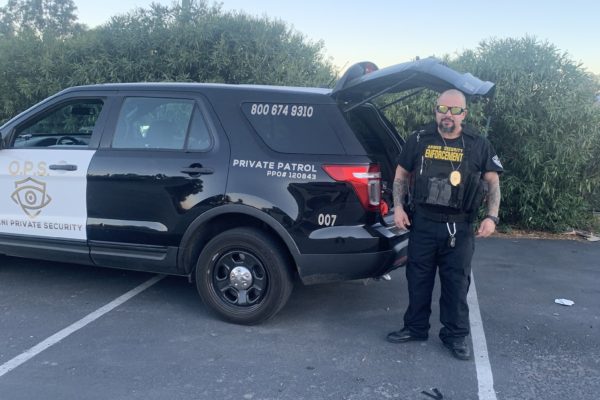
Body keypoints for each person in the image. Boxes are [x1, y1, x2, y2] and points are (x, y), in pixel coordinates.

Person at [386, 89, 502, 360]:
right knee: (418, 279)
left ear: (465, 114)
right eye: (443, 108)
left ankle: (455, 336)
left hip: (459, 229)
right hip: (423, 223)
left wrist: (491, 216)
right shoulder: (418, 139)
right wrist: (399, 207)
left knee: (456, 285)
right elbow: (401, 174)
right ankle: (415, 328)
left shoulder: (479, 144)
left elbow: (493, 182)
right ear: (435, 110)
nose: (448, 115)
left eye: (455, 110)